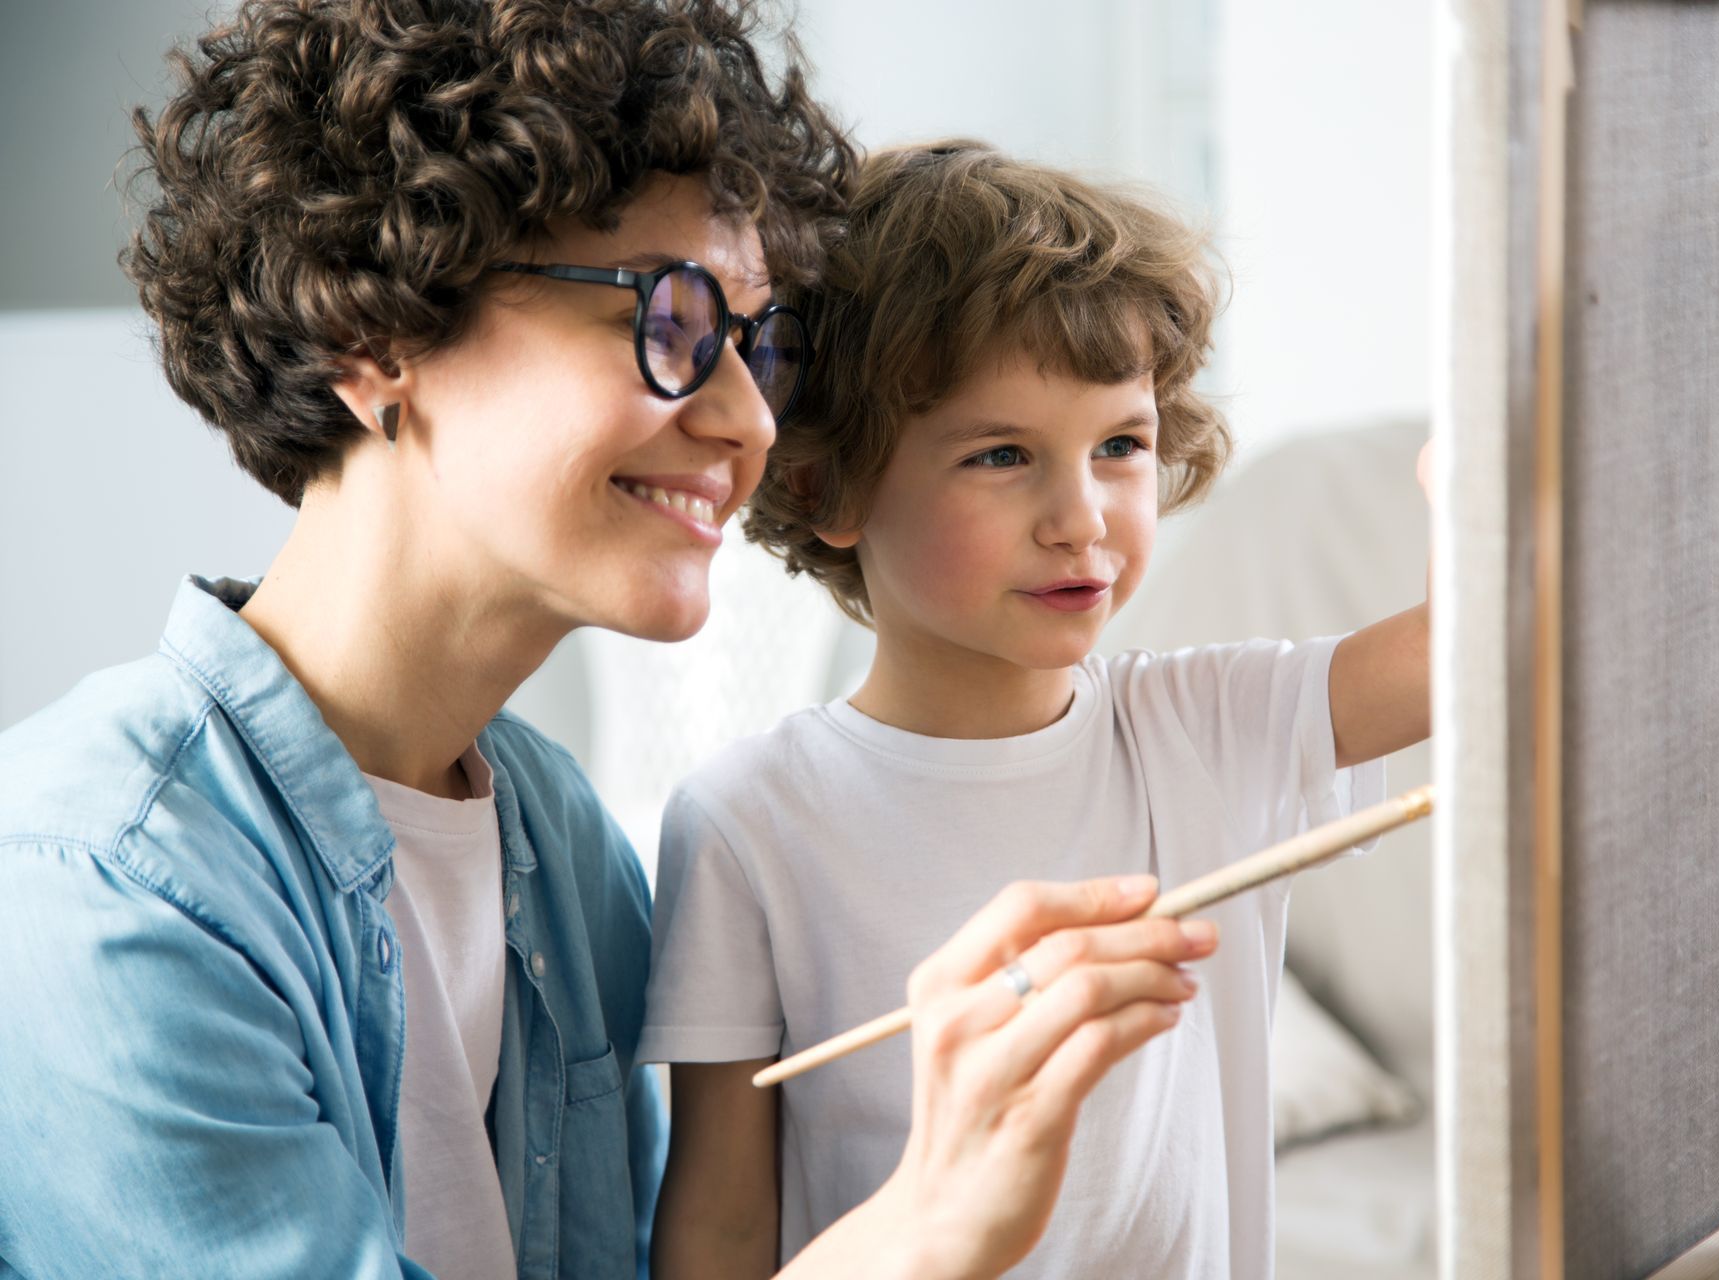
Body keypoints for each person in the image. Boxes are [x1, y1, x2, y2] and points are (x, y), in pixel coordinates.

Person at [0, 8, 1211, 1278]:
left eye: (759, 344)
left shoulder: (559, 841)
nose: (748, 419)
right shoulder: (102, 889)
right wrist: (928, 1225)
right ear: (375, 334)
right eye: (673, 317)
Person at [641, 141, 1433, 1278]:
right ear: (827, 486)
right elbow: (717, 1226)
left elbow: (1468, 651)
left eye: (1121, 444)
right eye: (1003, 454)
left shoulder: (1211, 724)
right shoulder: (743, 820)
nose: (1083, 517)